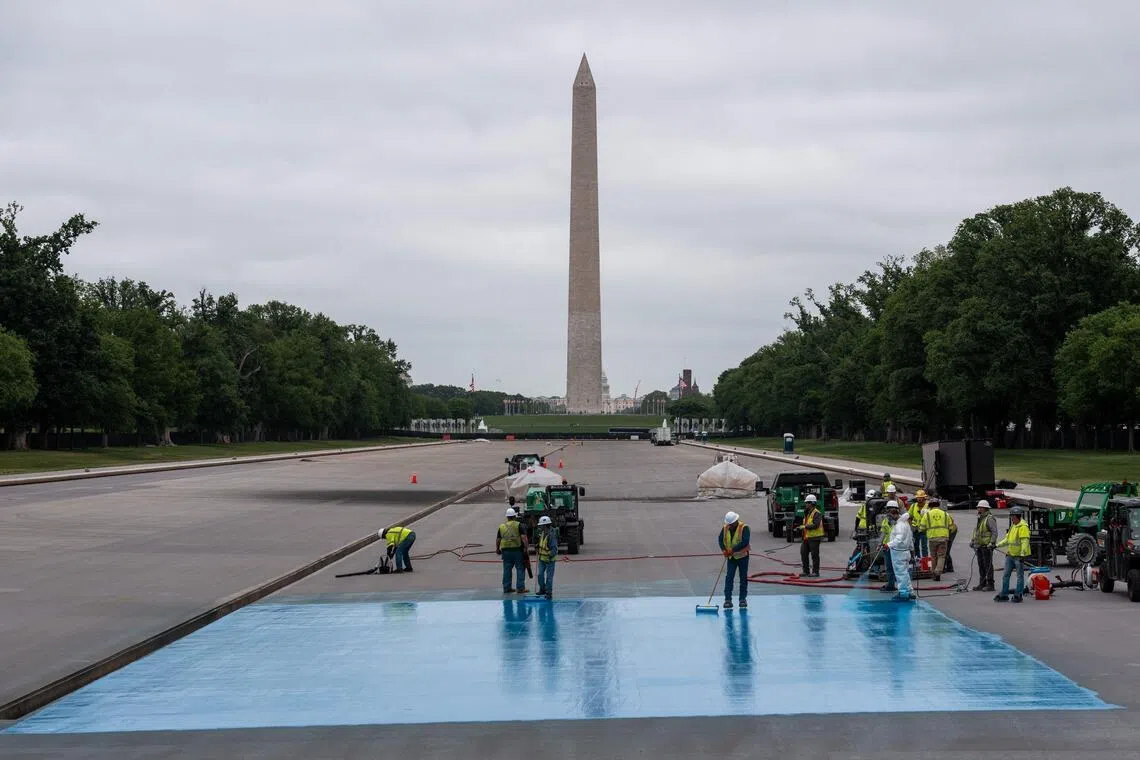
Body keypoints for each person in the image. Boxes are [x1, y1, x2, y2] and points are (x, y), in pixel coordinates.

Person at [995, 506, 1031, 602]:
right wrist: (997, 545)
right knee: (1006, 575)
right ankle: (1004, 594)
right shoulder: (1013, 526)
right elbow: (1008, 540)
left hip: (1018, 557)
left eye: (1012, 517)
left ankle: (1018, 595)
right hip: (1010, 555)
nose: (1011, 518)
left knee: (1019, 576)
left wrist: (1022, 554)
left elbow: (1025, 542)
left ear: (1017, 517)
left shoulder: (1023, 527)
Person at [719, 511, 751, 608]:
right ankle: (728, 600)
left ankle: (742, 599)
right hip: (731, 558)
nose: (730, 526)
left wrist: (732, 550)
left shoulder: (744, 528)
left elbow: (745, 542)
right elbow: (720, 539)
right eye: (729, 524)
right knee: (729, 577)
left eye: (732, 524)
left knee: (743, 578)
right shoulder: (725, 528)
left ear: (736, 521)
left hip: (742, 557)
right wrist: (724, 550)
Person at [496, 507, 528, 594]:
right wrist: (526, 548)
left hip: (506, 552)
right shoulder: (518, 525)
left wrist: (497, 549)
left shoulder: (502, 526)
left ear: (507, 517)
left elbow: (498, 539)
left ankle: (507, 588)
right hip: (517, 551)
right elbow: (523, 537)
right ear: (514, 516)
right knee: (520, 569)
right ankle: (520, 588)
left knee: (507, 570)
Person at [887, 510, 915, 601]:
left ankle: (903, 593)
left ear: (895, 514)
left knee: (900, 574)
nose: (890, 518)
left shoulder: (900, 526)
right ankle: (910, 591)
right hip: (905, 552)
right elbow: (910, 540)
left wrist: (888, 545)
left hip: (899, 553)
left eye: (891, 515)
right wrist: (912, 552)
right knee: (905, 573)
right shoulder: (906, 525)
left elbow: (899, 539)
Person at [970, 499, 997, 591]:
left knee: (988, 565)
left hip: (986, 546)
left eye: (979, 507)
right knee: (981, 565)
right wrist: (973, 541)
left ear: (984, 508)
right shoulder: (981, 518)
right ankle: (982, 583)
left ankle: (990, 584)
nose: (978, 509)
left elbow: (994, 532)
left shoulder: (989, 518)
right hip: (979, 546)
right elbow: (977, 532)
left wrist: (992, 543)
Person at [925, 500, 951, 581]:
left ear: (930, 506)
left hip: (932, 538)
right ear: (938, 505)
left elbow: (922, 526)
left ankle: (933, 573)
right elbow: (950, 525)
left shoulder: (927, 514)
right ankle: (938, 571)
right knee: (941, 556)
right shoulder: (945, 514)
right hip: (943, 537)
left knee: (933, 556)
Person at [534, 515, 558, 599]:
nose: (540, 527)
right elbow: (542, 544)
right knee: (540, 575)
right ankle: (542, 589)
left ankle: (549, 592)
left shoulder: (551, 535)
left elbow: (554, 548)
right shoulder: (542, 533)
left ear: (545, 525)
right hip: (542, 559)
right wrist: (537, 546)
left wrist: (550, 557)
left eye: (541, 525)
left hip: (549, 560)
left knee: (549, 577)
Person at [800, 494, 824, 577]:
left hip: (815, 537)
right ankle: (806, 571)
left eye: (807, 503)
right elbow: (806, 523)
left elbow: (816, 525)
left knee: (814, 555)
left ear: (812, 503)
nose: (806, 504)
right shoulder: (807, 513)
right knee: (803, 553)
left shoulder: (817, 513)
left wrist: (805, 526)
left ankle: (815, 572)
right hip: (807, 537)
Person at [878, 502, 899, 592]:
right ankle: (891, 584)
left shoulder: (900, 521)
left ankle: (902, 586)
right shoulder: (886, 521)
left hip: (897, 548)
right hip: (887, 547)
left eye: (890, 510)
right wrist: (879, 544)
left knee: (898, 567)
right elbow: (883, 533)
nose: (889, 512)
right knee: (889, 567)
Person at [908, 489, 929, 558]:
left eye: (921, 498)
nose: (919, 500)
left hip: (924, 530)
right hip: (915, 529)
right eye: (918, 498)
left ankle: (925, 561)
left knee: (924, 546)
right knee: (915, 545)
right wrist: (911, 526)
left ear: (924, 498)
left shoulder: (928, 506)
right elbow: (909, 517)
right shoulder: (913, 506)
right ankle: (918, 560)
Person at [943, 502, 958, 573]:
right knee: (945, 550)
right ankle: (949, 567)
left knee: (946, 550)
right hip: (948, 530)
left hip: (951, 531)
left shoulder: (942, 515)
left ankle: (944, 568)